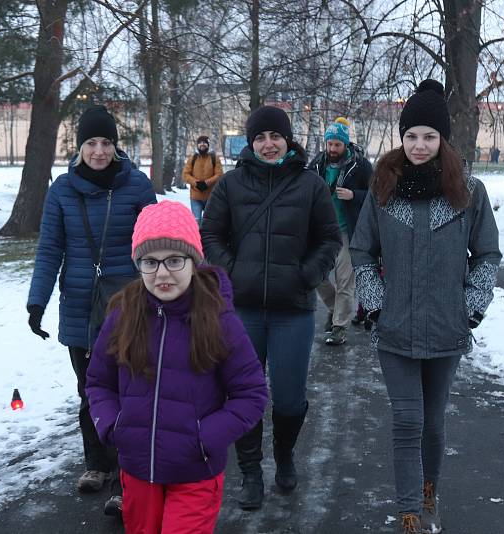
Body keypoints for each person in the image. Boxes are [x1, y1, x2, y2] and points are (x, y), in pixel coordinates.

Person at [350, 79, 501, 534]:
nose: (419, 145)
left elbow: (488, 255)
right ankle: (409, 510)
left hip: (446, 327)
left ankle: (429, 489)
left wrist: (471, 305)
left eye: (429, 136)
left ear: (443, 139)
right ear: (402, 137)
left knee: (433, 422)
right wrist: (374, 303)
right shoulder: (383, 188)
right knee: (407, 419)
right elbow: (361, 251)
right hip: (394, 328)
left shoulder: (469, 192)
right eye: (411, 135)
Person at [86, 200, 268, 534]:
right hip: (138, 469)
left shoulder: (219, 319)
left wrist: (205, 436)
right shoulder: (123, 315)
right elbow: (99, 382)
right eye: (150, 263)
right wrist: (113, 425)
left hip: (195, 472)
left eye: (174, 260)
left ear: (194, 261)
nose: (162, 273)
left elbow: (251, 394)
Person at [200, 105, 341, 509]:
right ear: (250, 142)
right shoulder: (230, 184)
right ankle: (249, 473)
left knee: (291, 398)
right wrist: (233, 272)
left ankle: (284, 456)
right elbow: (210, 234)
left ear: (287, 139)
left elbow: (330, 239)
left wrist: (306, 274)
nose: (268, 144)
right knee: (243, 395)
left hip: (293, 310)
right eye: (260, 137)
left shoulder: (310, 185)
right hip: (242, 310)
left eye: (275, 136)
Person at [26, 104, 156, 515]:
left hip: (128, 304)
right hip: (80, 304)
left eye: (106, 143)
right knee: (90, 390)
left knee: (129, 391)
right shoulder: (62, 189)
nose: (99, 151)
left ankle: (126, 478)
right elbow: (50, 249)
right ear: (79, 146)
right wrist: (36, 302)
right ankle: (95, 464)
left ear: (116, 146)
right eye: (91, 143)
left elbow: (157, 244)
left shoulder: (136, 186)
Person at [307, 117, 373, 345]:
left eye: (337, 144)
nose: (333, 148)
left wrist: (354, 195)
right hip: (321, 230)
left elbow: (377, 196)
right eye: (330, 144)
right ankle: (336, 308)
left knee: (346, 280)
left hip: (348, 229)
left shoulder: (360, 165)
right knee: (315, 275)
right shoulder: (316, 164)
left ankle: (339, 327)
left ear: (345, 144)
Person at [181, 135, 224, 224]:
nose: (202, 144)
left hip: (211, 197)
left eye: (204, 142)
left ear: (208, 145)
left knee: (210, 222)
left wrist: (206, 183)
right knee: (196, 222)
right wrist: (196, 183)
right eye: (200, 143)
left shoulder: (214, 158)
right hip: (196, 197)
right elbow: (185, 174)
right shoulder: (193, 158)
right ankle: (197, 238)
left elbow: (219, 174)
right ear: (197, 145)